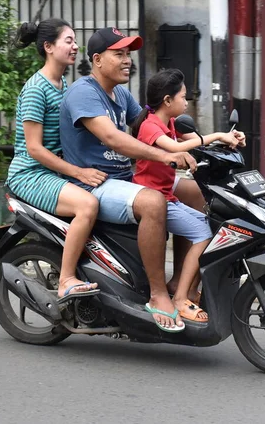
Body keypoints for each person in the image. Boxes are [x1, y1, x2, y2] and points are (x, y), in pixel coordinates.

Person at [59, 27, 196, 333]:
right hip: (95, 183)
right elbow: (113, 138)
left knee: (193, 191)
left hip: (123, 178)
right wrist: (164, 156)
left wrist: (203, 139)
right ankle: (158, 295)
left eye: (128, 54)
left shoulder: (119, 93)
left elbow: (154, 122)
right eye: (118, 54)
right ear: (97, 59)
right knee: (153, 201)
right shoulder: (84, 92)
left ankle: (179, 283)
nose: (127, 61)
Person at [130, 68, 244, 322]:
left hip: (166, 194)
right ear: (167, 101)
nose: (186, 102)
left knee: (213, 224)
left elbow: (199, 142)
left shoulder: (170, 122)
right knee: (204, 233)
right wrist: (214, 135)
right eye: (183, 97)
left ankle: (186, 288)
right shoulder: (151, 126)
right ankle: (180, 299)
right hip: (153, 198)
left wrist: (228, 139)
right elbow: (176, 148)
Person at [6, 18, 106, 299]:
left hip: (55, 170)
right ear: (49, 47)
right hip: (31, 174)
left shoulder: (63, 84)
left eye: (75, 41)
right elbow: (35, 149)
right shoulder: (36, 89)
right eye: (69, 41)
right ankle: (66, 279)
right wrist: (78, 172)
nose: (75, 47)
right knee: (87, 206)